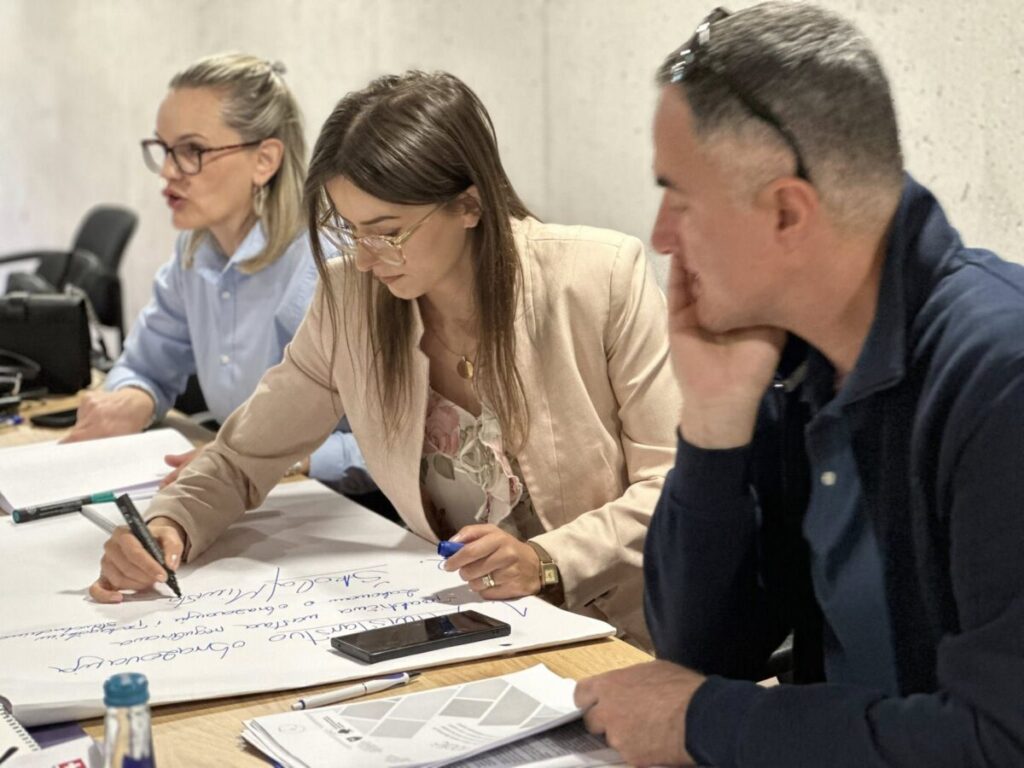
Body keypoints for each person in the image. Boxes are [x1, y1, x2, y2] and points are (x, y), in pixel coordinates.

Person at [87, 70, 680, 649]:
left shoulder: (599, 278)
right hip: (473, 630)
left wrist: (548, 560)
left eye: (387, 231)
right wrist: (167, 526)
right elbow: (244, 455)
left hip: (622, 633)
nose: (366, 259)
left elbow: (673, 485)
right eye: (349, 230)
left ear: (469, 204)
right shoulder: (351, 299)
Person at [576, 3, 1024, 766]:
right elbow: (698, 653)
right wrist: (713, 421)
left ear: (788, 211)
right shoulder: (795, 356)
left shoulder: (1000, 377)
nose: (660, 237)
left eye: (679, 198)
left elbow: (999, 742)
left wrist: (709, 722)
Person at [63, 53, 373, 497]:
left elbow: (406, 445)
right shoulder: (194, 253)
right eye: (164, 150)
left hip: (345, 506)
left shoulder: (331, 264)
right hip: (248, 492)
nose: (168, 172)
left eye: (193, 151)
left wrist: (280, 459)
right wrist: (136, 398)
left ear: (264, 160)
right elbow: (144, 366)